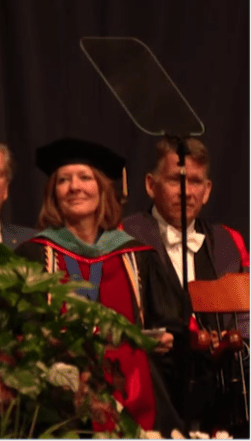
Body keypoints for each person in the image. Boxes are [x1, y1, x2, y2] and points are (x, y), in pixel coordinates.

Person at [15, 137, 181, 435]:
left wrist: (164, 337)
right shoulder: (34, 255)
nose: (74, 187)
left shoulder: (136, 256)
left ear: (102, 189)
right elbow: (23, 329)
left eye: (85, 178)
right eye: (64, 180)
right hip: (60, 399)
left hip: (135, 390)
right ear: (54, 192)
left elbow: (169, 320)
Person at [122, 137, 249, 435]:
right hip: (156, 383)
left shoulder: (229, 242)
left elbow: (246, 320)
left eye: (195, 182)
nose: (186, 192)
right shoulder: (125, 236)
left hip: (223, 389)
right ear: (151, 185)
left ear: (207, 191)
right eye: (175, 181)